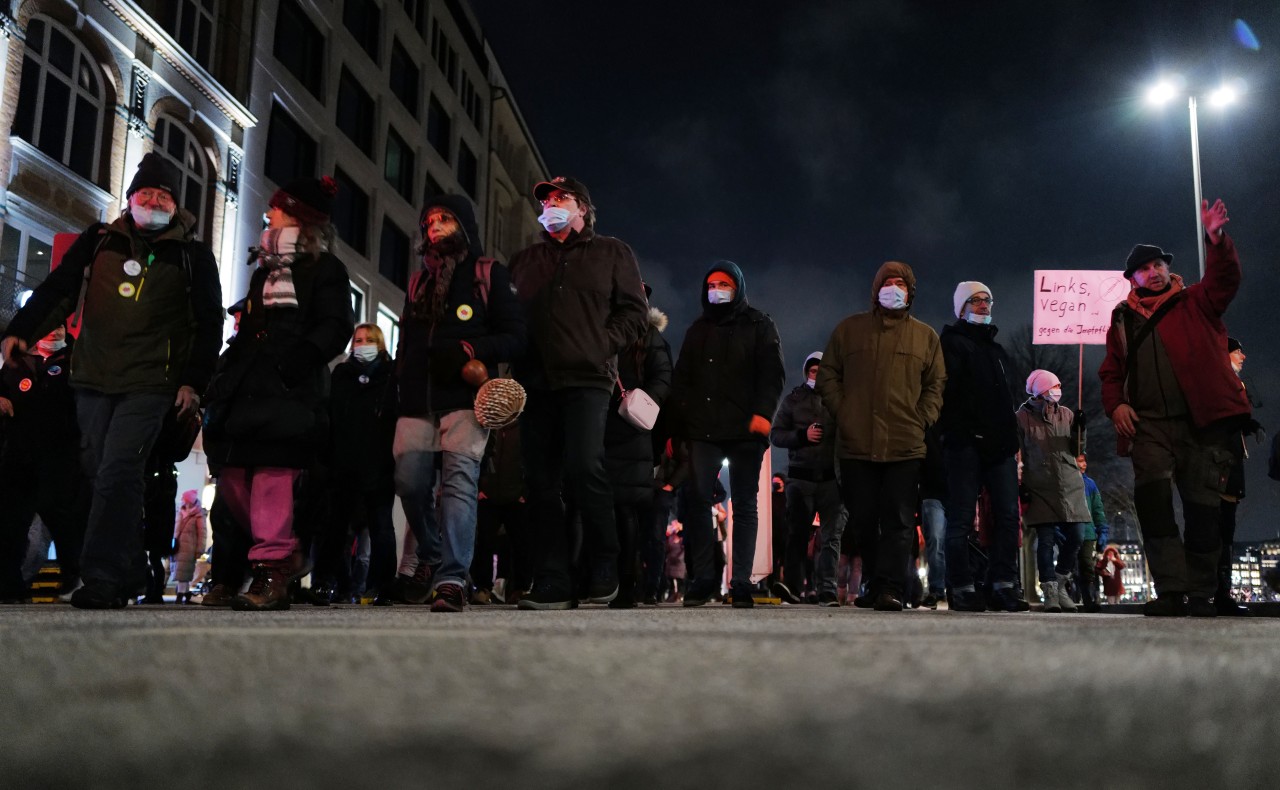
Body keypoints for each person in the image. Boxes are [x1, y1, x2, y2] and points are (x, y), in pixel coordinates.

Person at [1, 152, 223, 609]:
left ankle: (100, 576)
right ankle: (129, 570)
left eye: (164, 195)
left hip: (151, 384)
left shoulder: (193, 256)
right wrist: (22, 331)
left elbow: (207, 324)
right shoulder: (99, 241)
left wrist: (192, 382)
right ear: (130, 199)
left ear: (176, 206)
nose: (155, 200)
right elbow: (59, 289)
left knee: (119, 468)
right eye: (147, 193)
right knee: (100, 471)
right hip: (93, 378)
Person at [202, 176, 354, 611]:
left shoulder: (326, 269)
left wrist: (295, 364)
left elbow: (335, 326)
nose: (269, 215)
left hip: (290, 390)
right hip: (247, 388)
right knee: (232, 478)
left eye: (278, 209)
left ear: (299, 219)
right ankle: (260, 560)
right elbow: (248, 330)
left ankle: (271, 571)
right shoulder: (264, 270)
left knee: (273, 476)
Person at [1098, 198, 1250, 617]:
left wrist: (1216, 239)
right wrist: (1116, 408)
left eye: (1158, 265)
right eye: (1144, 268)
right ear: (1132, 278)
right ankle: (1170, 590)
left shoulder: (1198, 301)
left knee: (1204, 511)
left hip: (1201, 424)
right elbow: (1111, 373)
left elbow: (1227, 277)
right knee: (1153, 506)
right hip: (1149, 428)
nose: (1153, 271)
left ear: (1168, 269)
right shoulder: (1121, 320)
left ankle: (1201, 593)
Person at [508, 176, 649, 610]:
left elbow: (634, 314)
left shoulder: (612, 252)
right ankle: (553, 578)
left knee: (585, 467)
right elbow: (511, 320)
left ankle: (603, 564)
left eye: (559, 197)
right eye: (546, 199)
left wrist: (600, 344)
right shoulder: (525, 260)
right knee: (540, 481)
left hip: (588, 379)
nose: (550, 204)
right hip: (535, 382)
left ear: (582, 208)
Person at [393, 194, 525, 612]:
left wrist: (468, 348)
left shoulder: (488, 275)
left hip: (465, 399)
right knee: (410, 483)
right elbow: (406, 342)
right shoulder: (419, 282)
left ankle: (451, 579)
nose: (433, 226)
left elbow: (515, 336)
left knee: (459, 486)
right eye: (428, 220)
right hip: (417, 400)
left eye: (444, 219)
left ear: (464, 225)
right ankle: (432, 554)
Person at [817, 262, 944, 611]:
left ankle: (891, 587)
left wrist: (922, 419)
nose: (894, 288)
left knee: (899, 519)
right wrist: (845, 412)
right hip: (857, 444)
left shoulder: (925, 336)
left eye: (900, 283)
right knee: (863, 519)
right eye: (887, 282)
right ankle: (875, 582)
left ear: (911, 291)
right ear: (875, 290)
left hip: (905, 444)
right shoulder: (849, 330)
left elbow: (936, 384)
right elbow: (828, 374)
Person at [669, 262, 785, 608]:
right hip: (704, 430)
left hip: (746, 430)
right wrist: (679, 428)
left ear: (739, 288)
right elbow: (681, 383)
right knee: (698, 501)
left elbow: (772, 374)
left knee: (745, 505)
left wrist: (763, 414)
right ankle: (703, 578)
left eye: (724, 283)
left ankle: (741, 582)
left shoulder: (760, 325)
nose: (716, 289)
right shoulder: (697, 330)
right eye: (711, 284)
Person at [937, 281, 1026, 612]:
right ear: (961, 307)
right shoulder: (951, 344)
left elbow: (1006, 401)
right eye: (975, 300)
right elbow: (949, 397)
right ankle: (960, 586)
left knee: (1007, 516)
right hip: (965, 444)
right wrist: (960, 433)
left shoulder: (997, 351)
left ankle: (1003, 584)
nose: (984, 305)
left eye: (988, 299)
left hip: (1000, 447)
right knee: (961, 517)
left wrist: (1012, 441)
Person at [313, 324, 397, 605]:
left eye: (369, 340)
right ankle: (325, 583)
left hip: (379, 462)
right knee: (335, 527)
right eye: (358, 340)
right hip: (344, 463)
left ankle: (382, 586)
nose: (363, 345)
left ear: (380, 343)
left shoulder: (390, 374)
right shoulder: (342, 374)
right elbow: (332, 417)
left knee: (381, 526)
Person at [0, 325, 85, 601]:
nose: (54, 330)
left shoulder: (76, 360)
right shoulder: (17, 363)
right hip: (18, 452)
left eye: (59, 325)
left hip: (59, 454)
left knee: (57, 511)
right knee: (12, 520)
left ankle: (73, 574)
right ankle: (10, 584)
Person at [603, 286, 672, 608]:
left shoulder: (651, 338)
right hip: (601, 427)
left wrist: (642, 402)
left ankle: (628, 584)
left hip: (632, 430)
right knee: (603, 510)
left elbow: (662, 379)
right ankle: (603, 581)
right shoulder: (604, 328)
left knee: (626, 510)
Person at [770, 352, 845, 606]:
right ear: (807, 373)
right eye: (813, 371)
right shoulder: (793, 400)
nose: (817, 375)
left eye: (821, 371)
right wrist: (802, 436)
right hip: (800, 479)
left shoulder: (839, 399)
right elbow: (776, 435)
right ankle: (792, 588)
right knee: (797, 535)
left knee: (831, 537)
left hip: (831, 479)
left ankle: (827, 590)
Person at [1017, 370, 1089, 613]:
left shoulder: (1067, 414)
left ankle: (1060, 583)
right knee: (1045, 541)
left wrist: (1081, 428)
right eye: (1054, 385)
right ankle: (1049, 591)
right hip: (1039, 486)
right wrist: (1020, 483)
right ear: (1042, 390)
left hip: (1069, 485)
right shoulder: (1022, 418)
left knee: (1077, 535)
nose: (1059, 389)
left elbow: (1077, 448)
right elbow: (1018, 453)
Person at [1216, 337, 1253, 616]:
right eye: (1238, 350)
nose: (1243, 355)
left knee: (1225, 530)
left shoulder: (1231, 382)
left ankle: (1220, 591)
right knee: (1221, 530)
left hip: (1229, 465)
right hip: (1222, 467)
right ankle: (1220, 593)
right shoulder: (1223, 382)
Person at [1076, 453, 1110, 612]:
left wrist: (1102, 529)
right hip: (1074, 530)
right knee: (1074, 566)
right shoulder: (1068, 483)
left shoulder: (1090, 484)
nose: (1083, 465)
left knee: (1087, 566)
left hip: (1088, 532)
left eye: (1084, 461)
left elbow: (1097, 509)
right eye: (1079, 461)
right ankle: (1082, 597)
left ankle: (1088, 599)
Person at [170, 490, 207, 604]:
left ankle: (180, 595)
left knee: (183, 572)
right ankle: (186, 594)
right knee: (180, 571)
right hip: (177, 546)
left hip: (190, 548)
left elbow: (202, 534)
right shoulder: (179, 510)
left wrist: (200, 549)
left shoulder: (198, 515)